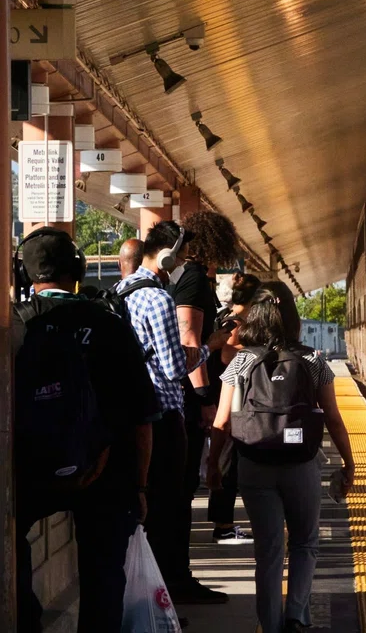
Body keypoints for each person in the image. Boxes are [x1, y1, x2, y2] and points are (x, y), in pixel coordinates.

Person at [13, 227, 159, 632]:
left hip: (32, 471)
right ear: (77, 270)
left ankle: (26, 619)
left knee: (11, 542)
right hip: (106, 472)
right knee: (104, 577)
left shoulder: (16, 326)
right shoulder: (108, 323)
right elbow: (143, 417)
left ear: (25, 277)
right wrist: (140, 487)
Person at [207, 282, 355, 633]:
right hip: (301, 463)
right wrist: (349, 463)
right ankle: (296, 618)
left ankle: (270, 626)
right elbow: (332, 416)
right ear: (293, 317)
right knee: (305, 542)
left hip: (254, 463)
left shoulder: (241, 361)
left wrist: (213, 466)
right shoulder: (312, 359)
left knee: (269, 552)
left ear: (255, 316)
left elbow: (222, 421)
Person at [115, 220, 230, 606]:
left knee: (149, 512)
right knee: (171, 511)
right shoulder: (158, 299)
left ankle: (154, 595)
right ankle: (168, 593)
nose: (181, 262)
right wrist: (210, 347)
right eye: (180, 255)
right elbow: (173, 367)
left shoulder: (122, 292)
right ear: (167, 254)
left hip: (134, 416)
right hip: (165, 418)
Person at [167, 211, 242, 551]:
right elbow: (189, 341)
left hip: (187, 395)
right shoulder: (194, 279)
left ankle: (179, 573)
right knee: (181, 491)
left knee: (183, 488)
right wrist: (205, 400)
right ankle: (178, 575)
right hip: (191, 397)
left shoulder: (184, 276)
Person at [208, 272, 261, 542]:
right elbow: (228, 355)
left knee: (228, 460)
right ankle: (224, 526)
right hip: (229, 396)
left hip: (229, 394)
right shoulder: (235, 321)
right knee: (227, 461)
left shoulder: (229, 316)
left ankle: (225, 523)